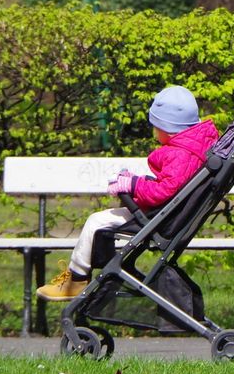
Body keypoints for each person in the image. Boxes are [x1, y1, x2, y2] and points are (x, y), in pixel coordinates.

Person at [37, 85, 220, 301]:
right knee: (101, 221)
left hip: (160, 219)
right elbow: (173, 186)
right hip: (167, 214)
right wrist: (138, 182)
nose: (154, 132)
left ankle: (76, 280)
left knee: (96, 221)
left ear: (167, 128)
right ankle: (91, 276)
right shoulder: (194, 147)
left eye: (156, 127)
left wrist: (132, 186)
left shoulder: (179, 154)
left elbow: (165, 190)